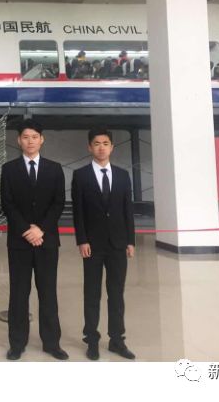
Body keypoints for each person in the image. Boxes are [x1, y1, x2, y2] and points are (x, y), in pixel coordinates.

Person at [1, 119, 67, 361]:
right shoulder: (9, 169)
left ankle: (52, 343)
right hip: (19, 242)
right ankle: (17, 344)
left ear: (42, 140)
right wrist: (26, 230)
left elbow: (58, 203)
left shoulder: (55, 168)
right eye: (26, 137)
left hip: (47, 241)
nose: (30, 141)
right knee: (19, 294)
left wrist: (41, 229)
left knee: (48, 293)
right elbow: (7, 203)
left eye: (34, 137)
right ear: (19, 140)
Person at [71, 127, 136, 361]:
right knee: (92, 293)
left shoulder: (122, 175)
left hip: (118, 244)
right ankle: (92, 339)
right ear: (90, 147)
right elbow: (78, 212)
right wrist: (82, 240)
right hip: (92, 245)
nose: (101, 147)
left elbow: (127, 210)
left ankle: (117, 340)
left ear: (112, 147)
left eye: (105, 143)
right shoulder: (80, 176)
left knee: (116, 294)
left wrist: (130, 240)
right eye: (97, 143)